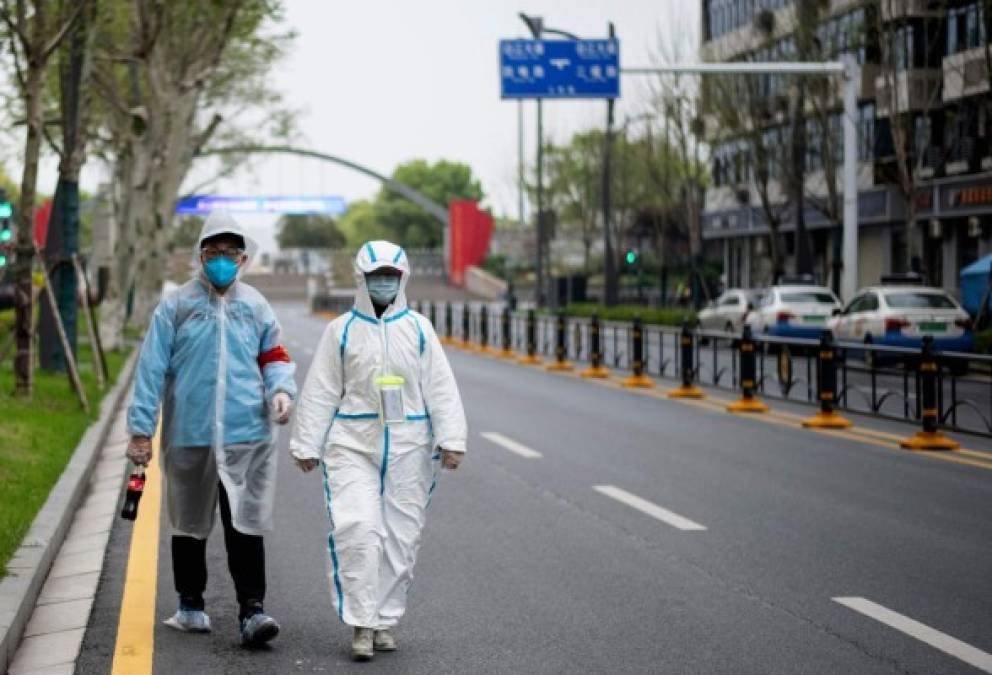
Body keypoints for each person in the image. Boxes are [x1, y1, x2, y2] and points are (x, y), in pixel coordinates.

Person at [289, 240, 467, 662]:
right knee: (359, 529)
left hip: (410, 445)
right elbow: (321, 390)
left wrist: (452, 440)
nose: (383, 282)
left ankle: (385, 619)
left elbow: (440, 388)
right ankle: (362, 624)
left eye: (391, 275)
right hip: (352, 444)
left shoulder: (420, 330)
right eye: (376, 276)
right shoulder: (342, 330)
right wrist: (306, 443)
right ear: (361, 280)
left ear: (402, 279)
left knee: (401, 537)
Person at [125, 211, 297, 646]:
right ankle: (190, 605)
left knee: (245, 523)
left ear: (242, 258)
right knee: (188, 522)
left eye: (229, 253)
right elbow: (150, 370)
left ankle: (252, 611)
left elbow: (274, 354)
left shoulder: (255, 305)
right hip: (190, 433)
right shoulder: (177, 306)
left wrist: (281, 390)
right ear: (200, 255)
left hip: (246, 434)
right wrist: (141, 431)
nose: (221, 260)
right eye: (213, 252)